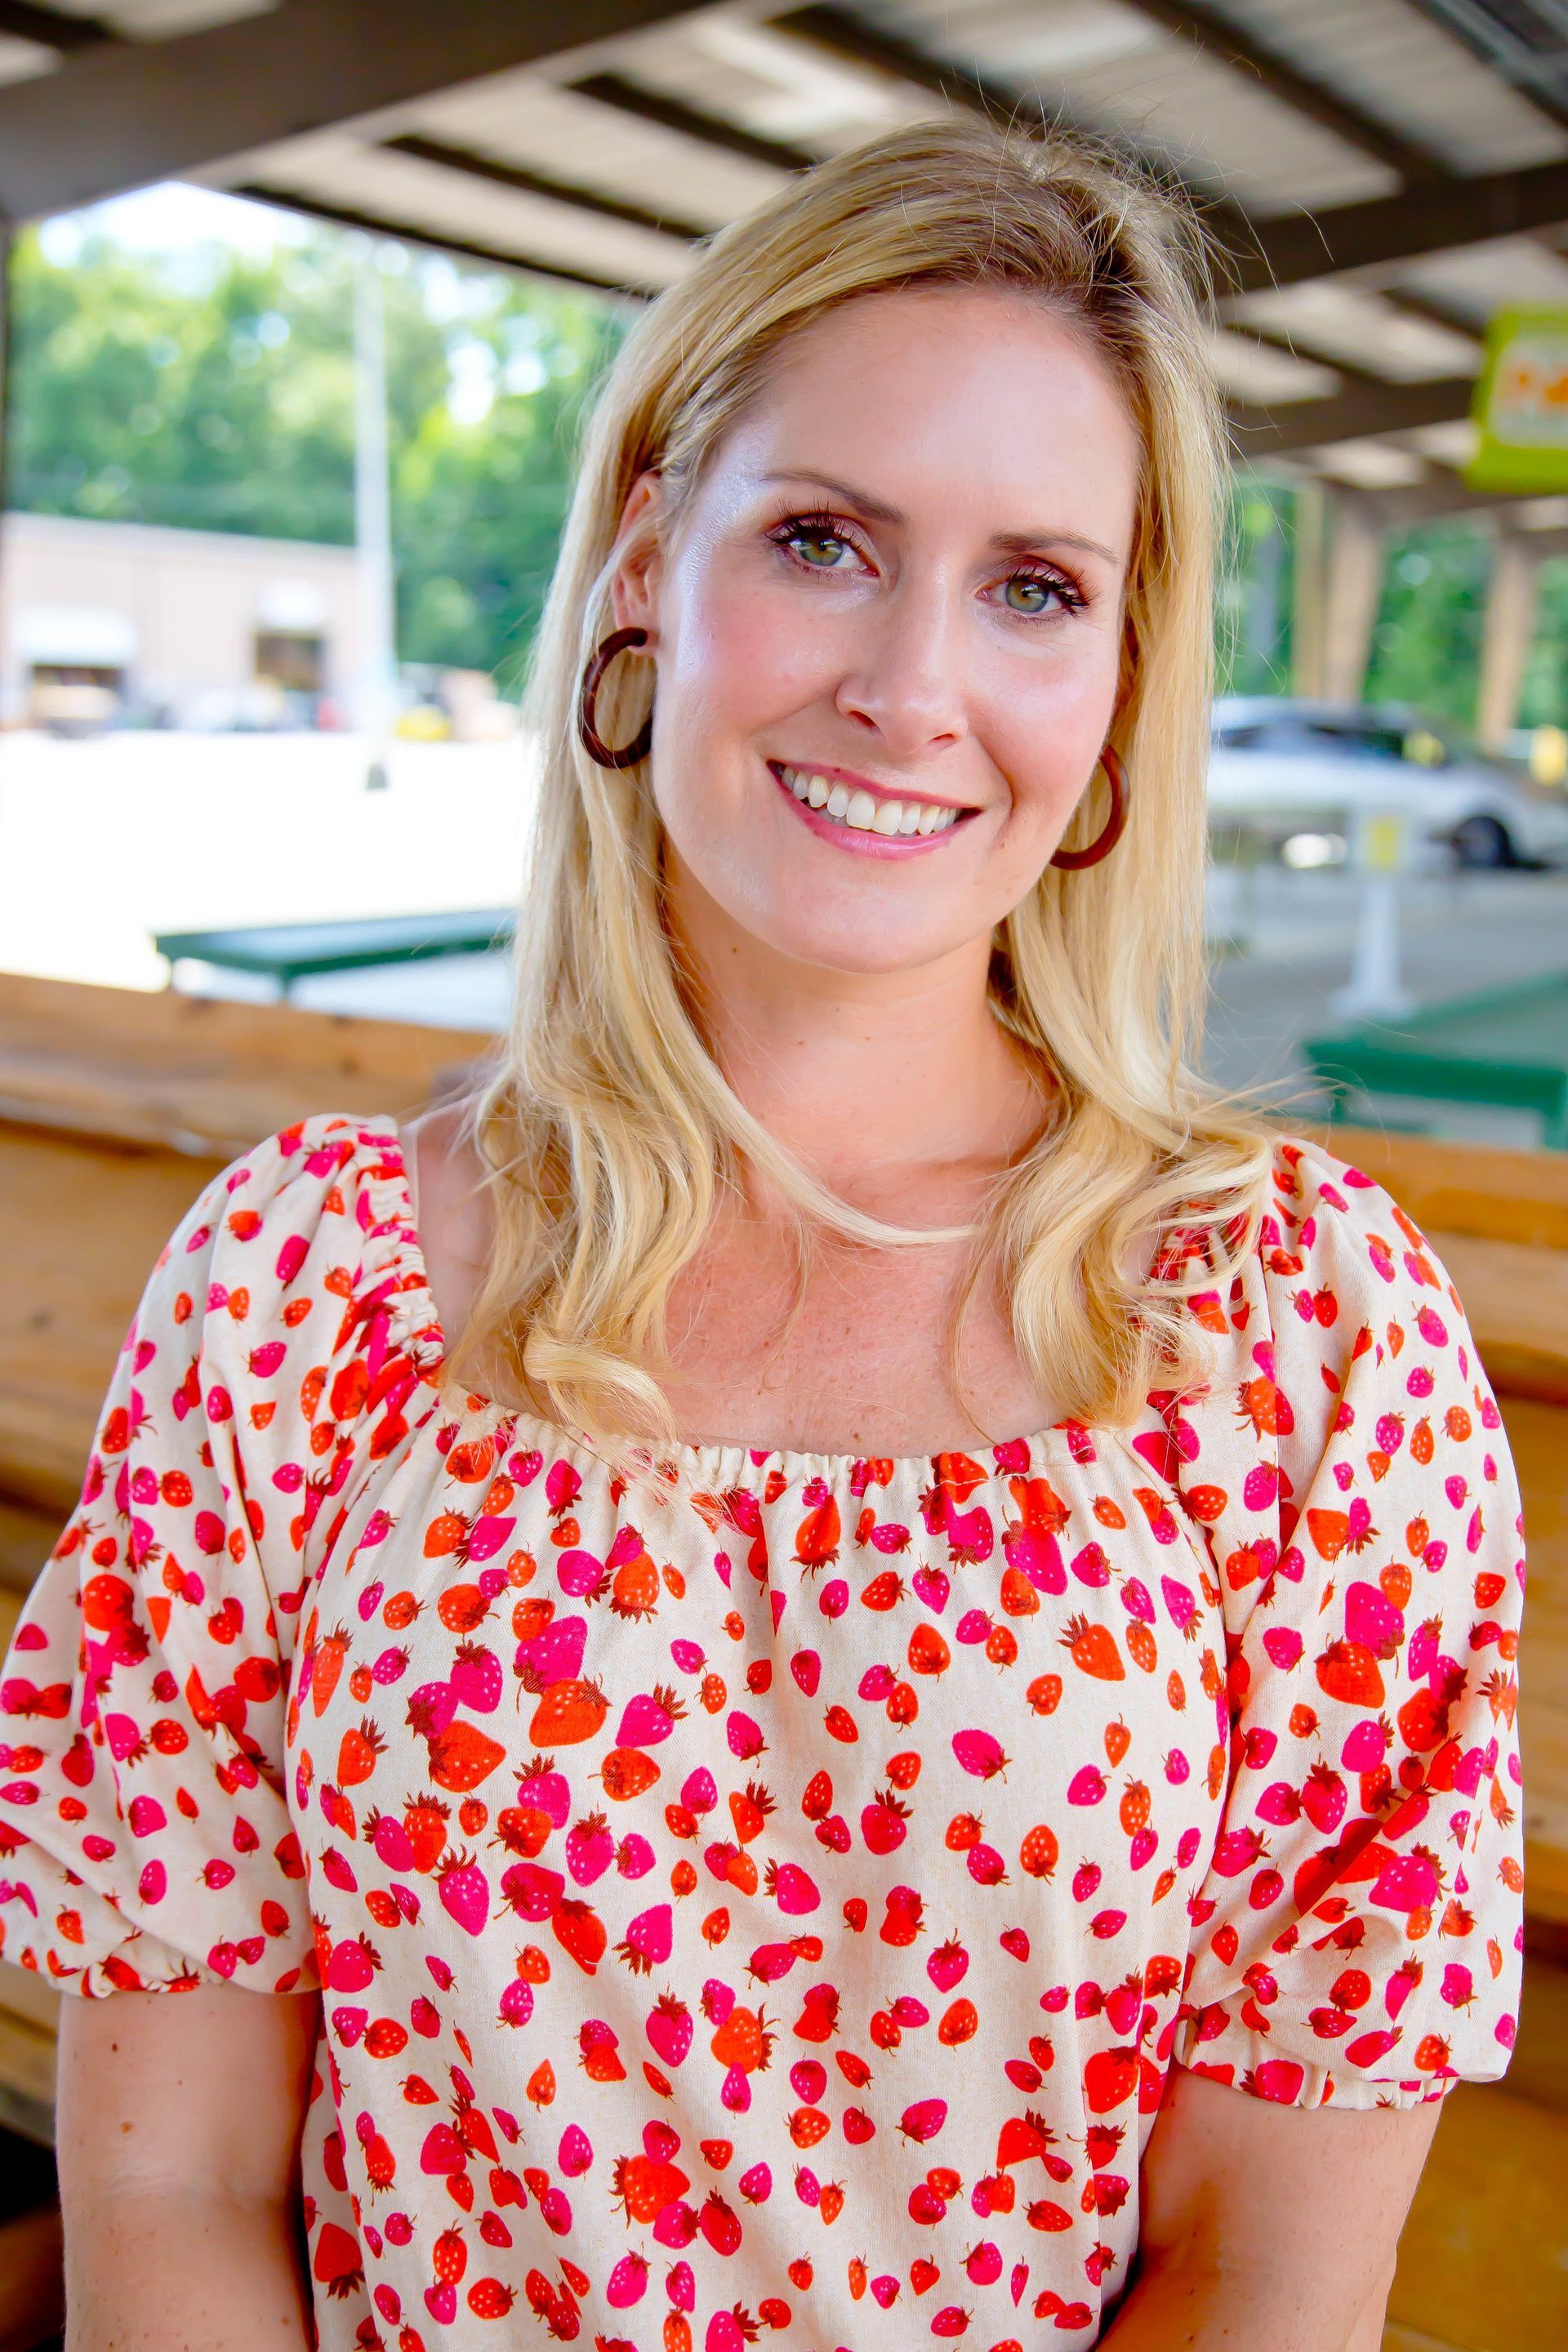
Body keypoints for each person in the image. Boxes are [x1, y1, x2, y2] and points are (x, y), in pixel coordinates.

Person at [0, 117, 1526, 2352]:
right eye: (823, 539)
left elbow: (1265, 2275)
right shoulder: (300, 1295)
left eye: (1034, 587)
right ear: (644, 563)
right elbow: (182, 2188)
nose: (913, 688)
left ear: (1115, 692)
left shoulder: (1299, 1346)